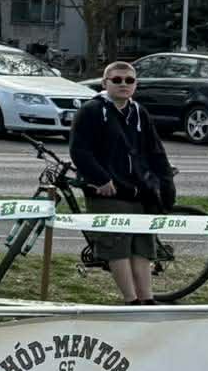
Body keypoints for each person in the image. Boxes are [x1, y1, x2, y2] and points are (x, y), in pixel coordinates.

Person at [69, 60, 177, 305]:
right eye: (117, 80)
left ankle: (147, 299)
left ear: (136, 84)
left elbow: (156, 151)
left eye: (129, 80)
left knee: (142, 246)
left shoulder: (139, 112)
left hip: (139, 191)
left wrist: (166, 183)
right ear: (105, 83)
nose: (123, 84)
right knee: (117, 246)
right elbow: (80, 150)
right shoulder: (91, 110)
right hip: (109, 192)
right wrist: (101, 179)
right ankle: (131, 300)